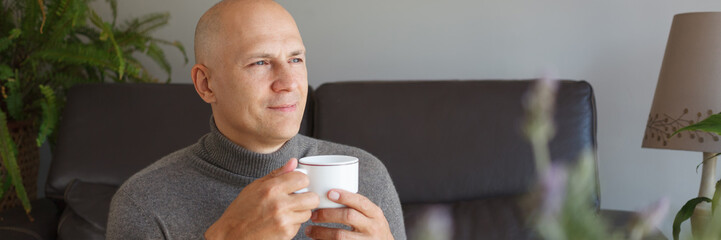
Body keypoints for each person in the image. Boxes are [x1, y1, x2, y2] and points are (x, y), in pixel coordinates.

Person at [106, 0, 406, 239]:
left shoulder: (367, 176)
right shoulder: (143, 204)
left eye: (295, 59)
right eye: (260, 62)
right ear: (206, 84)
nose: (288, 82)